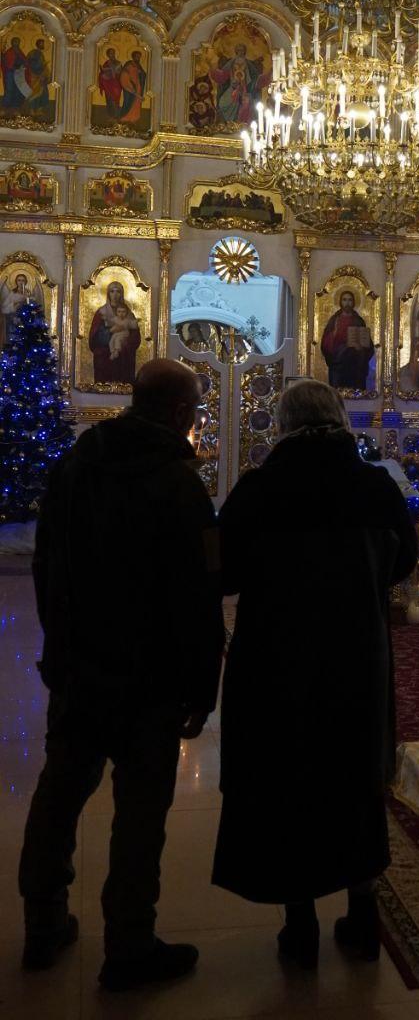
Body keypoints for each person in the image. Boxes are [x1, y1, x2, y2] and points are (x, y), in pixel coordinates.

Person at [18, 360, 223, 991]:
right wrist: (202, 684)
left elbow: (46, 563)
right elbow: (197, 594)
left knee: (59, 794)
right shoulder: (177, 482)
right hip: (150, 680)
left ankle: (43, 923)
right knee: (139, 813)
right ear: (179, 412)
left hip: (81, 667)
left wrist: (58, 644)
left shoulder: (78, 465)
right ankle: (129, 944)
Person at [212, 380, 417, 968]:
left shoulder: (260, 488)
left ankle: (297, 924)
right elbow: (402, 560)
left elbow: (223, 574)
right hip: (356, 655)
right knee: (354, 775)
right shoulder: (374, 485)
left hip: (276, 660)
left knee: (286, 777)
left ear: (284, 424)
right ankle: (361, 913)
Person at [88, 281, 141, 385]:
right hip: (104, 357)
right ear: (108, 294)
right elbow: (94, 337)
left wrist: (125, 342)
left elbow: (135, 337)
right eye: (112, 291)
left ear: (122, 294)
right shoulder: (101, 313)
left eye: (118, 292)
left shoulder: (128, 313)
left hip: (124, 358)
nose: (115, 295)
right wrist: (109, 334)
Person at [320, 290, 374, 390]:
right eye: (344, 300)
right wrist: (334, 333)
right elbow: (325, 344)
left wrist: (361, 347)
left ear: (353, 302)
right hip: (338, 364)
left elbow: (368, 345)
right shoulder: (334, 320)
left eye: (350, 300)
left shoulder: (358, 320)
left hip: (355, 365)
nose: (347, 303)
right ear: (340, 302)